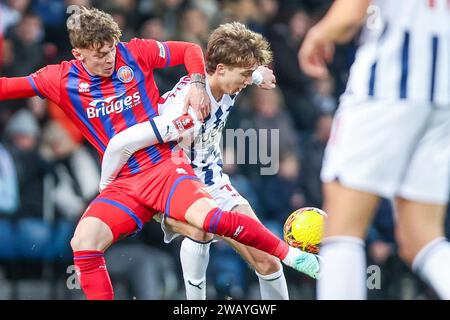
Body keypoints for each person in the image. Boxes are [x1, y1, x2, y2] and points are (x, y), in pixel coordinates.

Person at [0, 6, 318, 300]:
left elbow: (191, 51)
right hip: (133, 175)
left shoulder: (137, 53)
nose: (110, 59)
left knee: (241, 246)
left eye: (111, 49)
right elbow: (118, 143)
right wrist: (106, 184)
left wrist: (249, 76)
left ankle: (283, 261)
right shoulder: (60, 79)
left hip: (171, 170)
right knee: (84, 242)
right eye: (99, 54)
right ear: (78, 53)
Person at [98, 22, 294, 300]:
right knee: (201, 231)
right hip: (179, 184)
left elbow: (245, 76)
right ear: (222, 69)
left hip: (215, 181)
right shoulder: (186, 110)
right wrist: (107, 184)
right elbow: (124, 143)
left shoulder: (226, 81)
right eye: (245, 74)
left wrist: (259, 76)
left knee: (268, 261)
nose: (245, 81)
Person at [298, 0, 450, 299]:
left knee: (342, 226)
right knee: (421, 237)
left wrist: (320, 33)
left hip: (390, 82)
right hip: (442, 89)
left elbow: (351, 13)